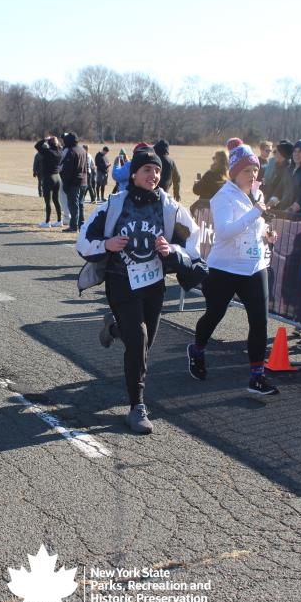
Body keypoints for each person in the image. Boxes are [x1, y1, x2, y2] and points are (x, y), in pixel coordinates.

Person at [77, 144, 203, 434]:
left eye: (157, 170)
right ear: (134, 173)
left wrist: (171, 250)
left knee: (144, 344)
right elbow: (83, 240)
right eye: (147, 169)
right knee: (138, 340)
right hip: (120, 281)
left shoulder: (170, 207)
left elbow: (195, 245)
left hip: (153, 284)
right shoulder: (114, 204)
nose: (153, 175)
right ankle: (137, 406)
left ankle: (114, 328)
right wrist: (106, 244)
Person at [187, 143, 279, 395]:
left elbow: (255, 226)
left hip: (254, 266)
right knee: (214, 315)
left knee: (259, 321)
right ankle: (197, 349)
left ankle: (257, 377)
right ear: (234, 172)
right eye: (246, 170)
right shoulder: (223, 197)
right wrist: (255, 214)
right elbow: (226, 231)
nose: (252, 175)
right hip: (225, 267)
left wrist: (267, 234)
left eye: (255, 170)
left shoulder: (257, 194)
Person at [60, 132, 88, 232]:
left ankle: (73, 226)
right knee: (80, 204)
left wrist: (66, 183)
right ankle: (81, 224)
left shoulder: (71, 152)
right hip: (84, 181)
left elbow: (68, 170)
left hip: (74, 182)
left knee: (73, 205)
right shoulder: (82, 150)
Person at [34, 135, 64, 227]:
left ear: (49, 143)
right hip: (57, 177)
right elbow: (60, 146)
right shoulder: (60, 152)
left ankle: (47, 222)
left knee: (48, 201)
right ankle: (59, 220)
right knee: (56, 200)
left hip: (49, 178)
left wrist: (45, 139)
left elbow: (37, 146)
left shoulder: (47, 152)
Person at [263, 140, 294, 206]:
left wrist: (272, 200)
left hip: (278, 205)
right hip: (270, 200)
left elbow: (281, 188)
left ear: (281, 154)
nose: (274, 153)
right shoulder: (278, 165)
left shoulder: (287, 169)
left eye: (276, 151)